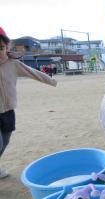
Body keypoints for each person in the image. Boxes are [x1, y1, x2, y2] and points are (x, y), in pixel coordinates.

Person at [0, 27, 57, 179]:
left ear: (7, 47)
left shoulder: (13, 64)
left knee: (4, 142)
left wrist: (51, 80)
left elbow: (33, 72)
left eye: (0, 47)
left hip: (8, 111)